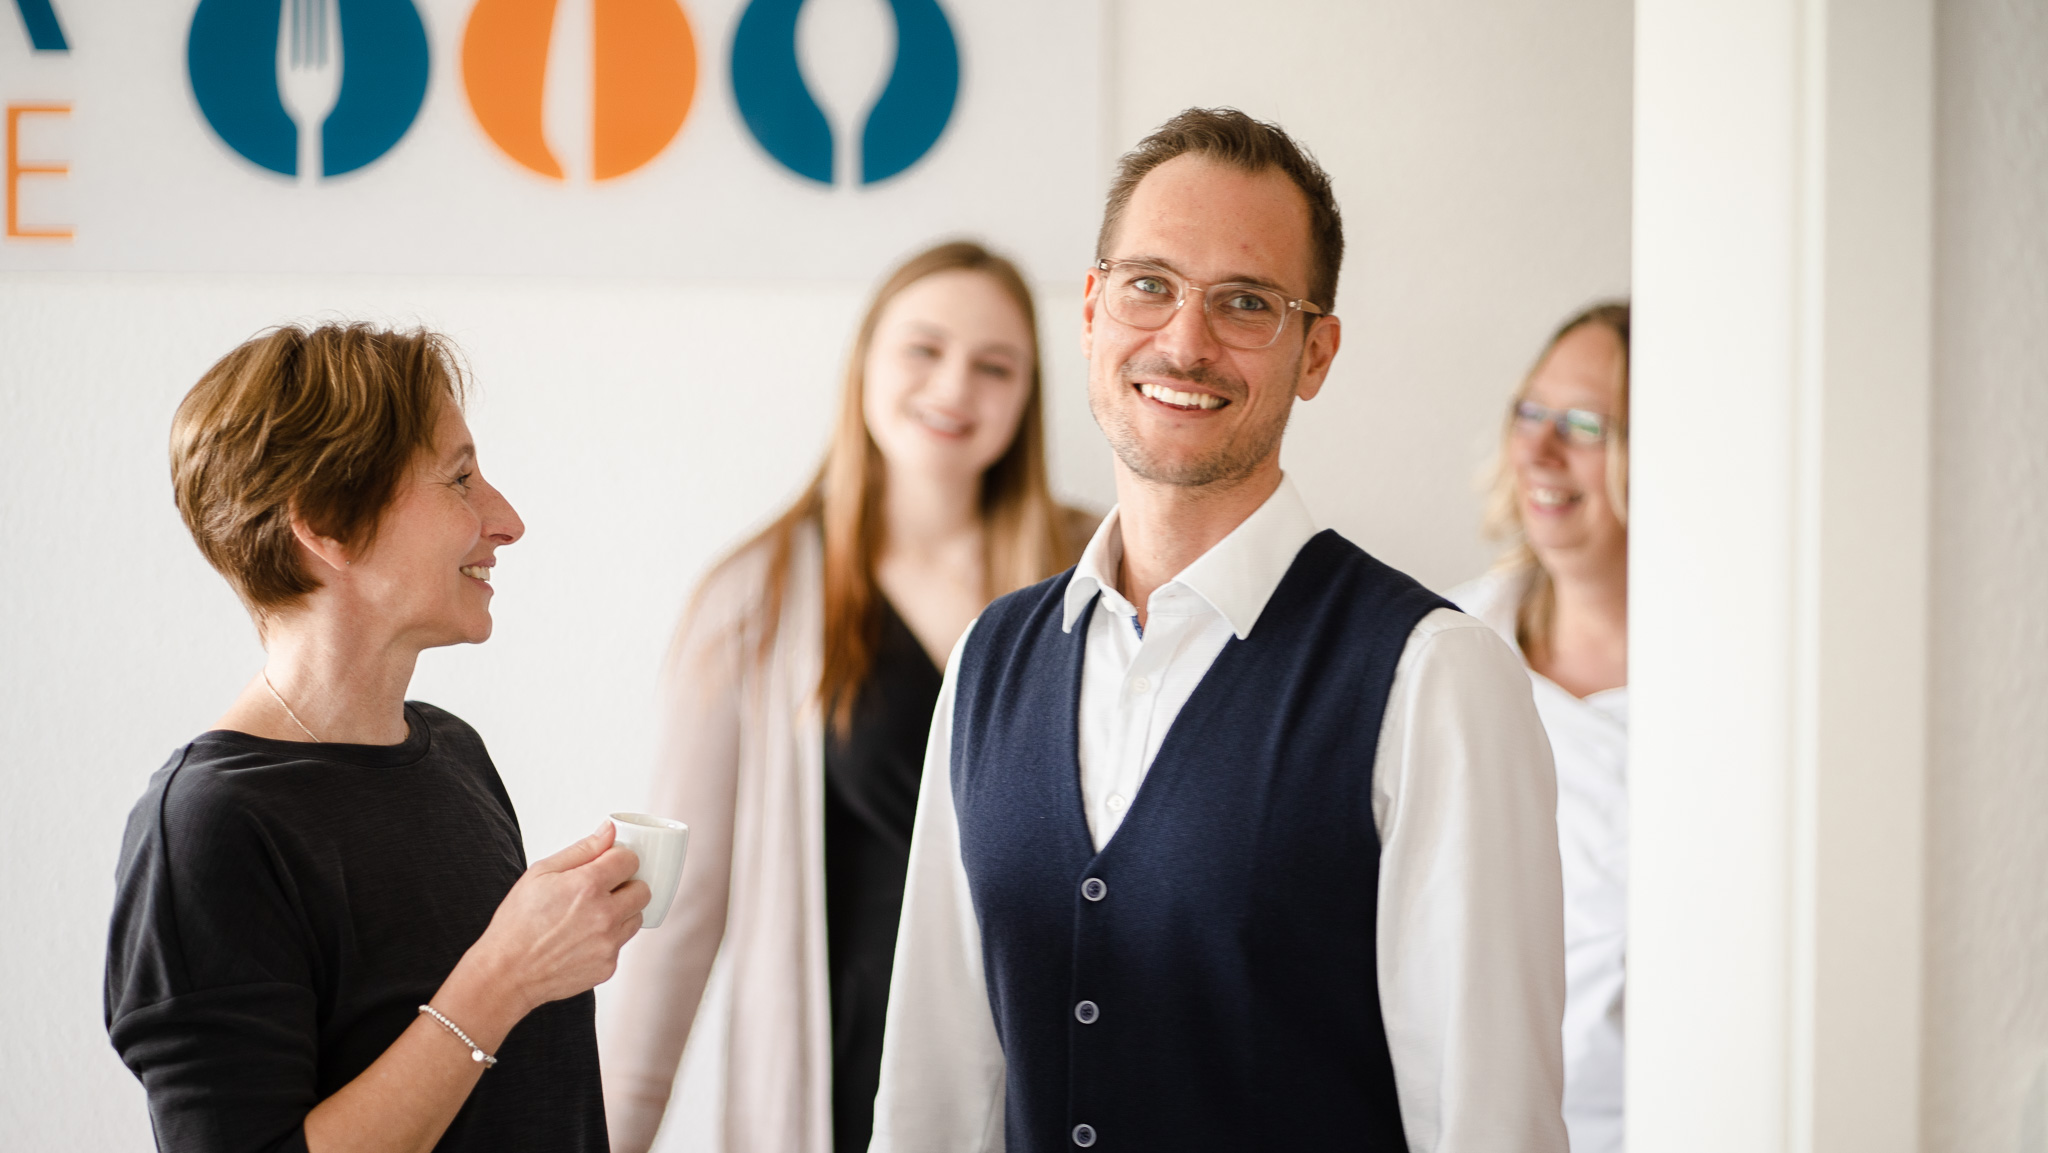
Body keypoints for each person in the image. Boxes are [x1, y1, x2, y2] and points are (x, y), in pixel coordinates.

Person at [868, 109, 1571, 1153]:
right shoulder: (991, 659)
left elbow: (1488, 1127)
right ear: (1094, 311)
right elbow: (931, 1096)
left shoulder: (1433, 673)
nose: (1185, 342)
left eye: (1244, 302)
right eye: (1150, 285)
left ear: (1314, 352)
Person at [105, 324, 649, 1153]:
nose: (507, 521)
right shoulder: (206, 827)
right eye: (460, 478)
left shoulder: (453, 753)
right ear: (327, 522)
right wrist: (503, 976)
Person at [601, 241, 1093, 1153]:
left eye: (996, 365)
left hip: (1055, 1070)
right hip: (843, 1085)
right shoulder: (755, 597)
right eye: (924, 348)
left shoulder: (1102, 572)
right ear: (864, 358)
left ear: (1028, 397)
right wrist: (609, 1134)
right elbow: (678, 900)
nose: (955, 386)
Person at [1449, 302, 1630, 1153]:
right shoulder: (1447, 651)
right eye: (1531, 412)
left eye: (1586, 425)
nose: (1541, 450)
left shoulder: (1743, 687)